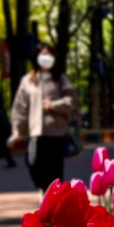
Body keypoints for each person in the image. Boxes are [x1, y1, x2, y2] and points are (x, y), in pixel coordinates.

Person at [8, 43, 77, 194]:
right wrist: (17, 131)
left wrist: (53, 105)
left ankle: (53, 199)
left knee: (55, 172)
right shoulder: (27, 81)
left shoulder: (61, 79)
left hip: (56, 133)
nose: (46, 58)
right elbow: (20, 107)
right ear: (36, 57)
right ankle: (43, 190)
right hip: (36, 133)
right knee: (33, 163)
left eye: (50, 55)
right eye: (43, 54)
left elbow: (71, 101)